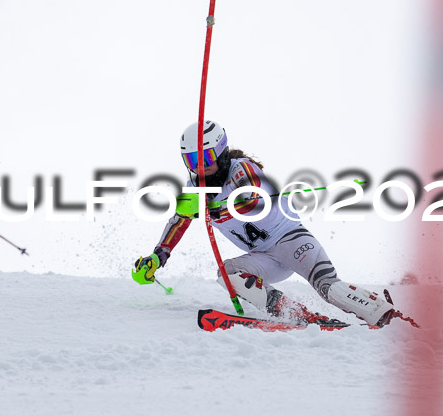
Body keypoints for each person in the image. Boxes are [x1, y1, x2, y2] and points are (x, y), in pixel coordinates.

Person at [133, 120, 395, 327]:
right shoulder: (193, 189)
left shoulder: (242, 169)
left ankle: (383, 314)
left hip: (292, 241)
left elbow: (249, 203)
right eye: (192, 161)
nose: (200, 168)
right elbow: (179, 222)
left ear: (222, 154)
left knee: (327, 287)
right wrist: (158, 256)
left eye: (206, 159)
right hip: (263, 258)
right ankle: (293, 313)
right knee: (227, 273)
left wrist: (210, 206)